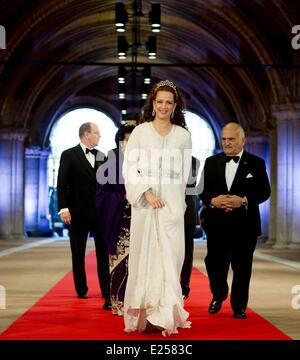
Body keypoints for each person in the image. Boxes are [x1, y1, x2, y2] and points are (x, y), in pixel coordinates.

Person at [122, 80, 192, 337]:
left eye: (168, 103)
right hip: (145, 206)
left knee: (170, 261)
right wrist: (146, 192)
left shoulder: (183, 136)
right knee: (146, 258)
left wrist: (177, 204)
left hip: (172, 206)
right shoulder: (140, 132)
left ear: (175, 107)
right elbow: (129, 169)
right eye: (159, 101)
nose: (163, 106)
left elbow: (184, 176)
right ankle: (147, 315)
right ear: (153, 103)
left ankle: (165, 315)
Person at [200, 122, 270, 319]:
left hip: (245, 226)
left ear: (242, 141)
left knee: (242, 268)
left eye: (231, 139)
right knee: (214, 264)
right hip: (216, 225)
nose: (227, 143)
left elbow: (264, 191)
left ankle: (239, 306)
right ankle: (219, 294)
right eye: (224, 139)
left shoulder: (256, 163)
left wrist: (244, 201)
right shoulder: (211, 162)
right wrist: (213, 200)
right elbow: (202, 190)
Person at [57, 122, 111, 310]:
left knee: (103, 253)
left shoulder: (103, 156)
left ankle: (106, 289)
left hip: (99, 213)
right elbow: (61, 183)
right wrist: (63, 208)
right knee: (78, 252)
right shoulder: (68, 154)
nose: (99, 136)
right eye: (97, 133)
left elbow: (107, 185)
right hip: (77, 213)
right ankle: (81, 289)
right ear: (86, 135)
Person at [95, 123, 135, 316]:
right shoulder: (110, 165)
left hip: (141, 220)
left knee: (139, 263)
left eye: (133, 140)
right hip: (119, 220)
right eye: (126, 140)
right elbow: (101, 197)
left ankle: (136, 302)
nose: (129, 144)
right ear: (120, 143)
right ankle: (117, 301)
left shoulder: (146, 165)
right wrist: (122, 197)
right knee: (120, 262)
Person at [181, 156, 200, 300]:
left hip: (188, 212)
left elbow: (189, 182)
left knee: (187, 251)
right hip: (167, 210)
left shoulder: (193, 161)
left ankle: (184, 287)